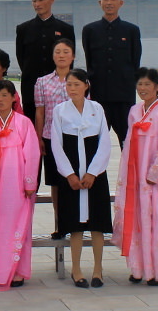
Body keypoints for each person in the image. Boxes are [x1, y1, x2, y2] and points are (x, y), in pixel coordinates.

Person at [112, 68, 158, 286]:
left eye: (147, 84)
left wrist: (154, 173)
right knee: (138, 221)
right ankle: (139, 269)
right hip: (136, 177)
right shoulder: (134, 111)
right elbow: (128, 144)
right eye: (139, 84)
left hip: (157, 180)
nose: (143, 89)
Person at [50, 69, 112, 289]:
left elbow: (105, 142)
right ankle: (76, 270)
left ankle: (98, 269)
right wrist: (70, 174)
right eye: (69, 85)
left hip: (95, 175)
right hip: (72, 175)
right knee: (75, 225)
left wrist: (93, 172)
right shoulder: (59, 111)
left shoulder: (97, 109)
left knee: (97, 223)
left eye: (76, 84)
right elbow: (56, 145)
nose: (72, 89)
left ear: (86, 85)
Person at [0, 80, 40, 291]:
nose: (1, 99)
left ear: (14, 98)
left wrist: (29, 182)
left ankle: (18, 271)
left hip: (16, 184)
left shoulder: (23, 123)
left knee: (18, 226)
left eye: (5, 95)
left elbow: (32, 153)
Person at [82, 0, 142, 148]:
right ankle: (98, 174)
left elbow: (135, 62)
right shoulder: (90, 30)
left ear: (121, 3)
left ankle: (129, 174)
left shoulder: (131, 30)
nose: (109, 3)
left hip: (124, 96)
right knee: (96, 143)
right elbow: (90, 61)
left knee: (128, 142)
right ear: (99, 2)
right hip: (99, 96)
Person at [34, 38, 77, 238]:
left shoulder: (80, 81)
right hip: (51, 138)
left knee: (72, 180)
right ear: (52, 56)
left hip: (74, 138)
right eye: (57, 52)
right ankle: (60, 224)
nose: (61, 55)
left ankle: (75, 222)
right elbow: (40, 112)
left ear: (73, 56)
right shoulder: (42, 82)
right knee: (56, 184)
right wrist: (39, 138)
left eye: (65, 52)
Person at [15, 0, 76, 119]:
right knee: (33, 127)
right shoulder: (23, 29)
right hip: (31, 87)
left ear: (51, 0)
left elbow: (69, 60)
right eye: (34, 0)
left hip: (58, 89)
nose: (37, 4)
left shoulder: (65, 29)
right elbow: (21, 58)